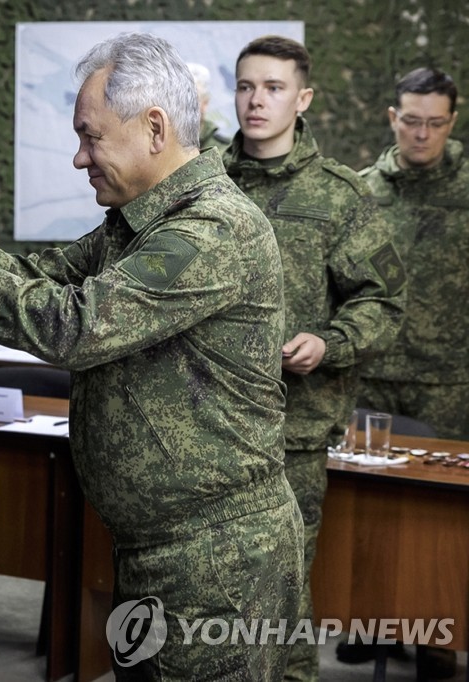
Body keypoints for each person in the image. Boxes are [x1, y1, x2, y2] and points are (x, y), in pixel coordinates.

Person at [0, 32, 301, 679]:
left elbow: (76, 322)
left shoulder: (209, 229)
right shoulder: (141, 221)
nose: (78, 158)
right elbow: (49, 277)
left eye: (90, 136)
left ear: (154, 128)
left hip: (216, 560)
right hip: (161, 549)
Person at [221, 36, 406, 681]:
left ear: (302, 100)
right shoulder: (205, 183)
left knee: (281, 594)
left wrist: (330, 343)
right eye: (246, 86)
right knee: (207, 594)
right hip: (204, 425)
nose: (256, 100)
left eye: (272, 88)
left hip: (290, 430)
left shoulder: (340, 195)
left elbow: (383, 300)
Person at [354, 66, 466, 679]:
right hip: (374, 374)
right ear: (393, 118)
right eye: (411, 121)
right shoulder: (364, 189)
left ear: (452, 121)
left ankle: (439, 639)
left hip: (451, 378)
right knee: (371, 515)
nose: (422, 134)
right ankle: (373, 624)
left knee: (441, 524)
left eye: (435, 123)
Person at [187, 62, 230, 152]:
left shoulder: (225, 152)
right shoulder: (160, 144)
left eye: (192, 97)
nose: (184, 104)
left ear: (205, 103)